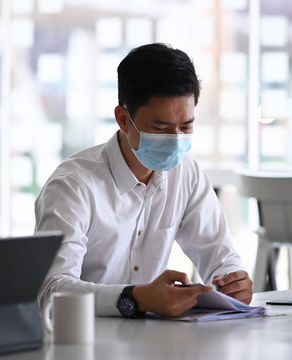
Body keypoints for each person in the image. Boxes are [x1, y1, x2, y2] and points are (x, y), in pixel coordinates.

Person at [35, 43, 253, 318]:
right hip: (79, 339)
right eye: (160, 128)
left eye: (186, 126)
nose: (176, 139)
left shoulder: (187, 175)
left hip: (150, 340)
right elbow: (52, 291)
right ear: (124, 119)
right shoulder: (73, 185)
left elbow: (221, 257)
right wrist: (135, 298)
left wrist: (232, 280)